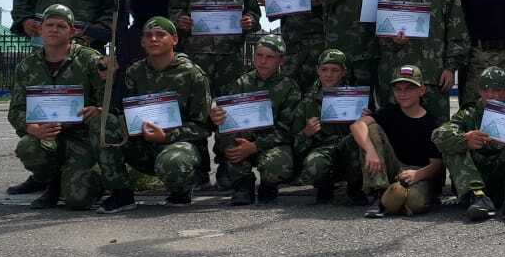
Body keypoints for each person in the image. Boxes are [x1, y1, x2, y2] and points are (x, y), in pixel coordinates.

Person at [8, 0, 115, 196]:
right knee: (40, 111)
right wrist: (25, 22)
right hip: (43, 52)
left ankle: (88, 170)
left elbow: (114, 8)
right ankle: (43, 173)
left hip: (82, 52)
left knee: (85, 116)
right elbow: (21, 0)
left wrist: (94, 32)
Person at [97, 17, 212, 213]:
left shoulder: (192, 74)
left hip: (178, 146)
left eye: (160, 34)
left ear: (174, 39)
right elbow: (125, 111)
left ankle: (180, 190)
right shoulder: (135, 71)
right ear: (142, 42)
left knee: (174, 162)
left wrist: (167, 135)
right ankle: (121, 193)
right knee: (103, 122)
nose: (153, 39)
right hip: (143, 144)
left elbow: (203, 126)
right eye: (148, 36)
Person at [7, 4, 105, 210]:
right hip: (47, 135)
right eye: (49, 24)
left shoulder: (89, 60)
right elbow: (16, 110)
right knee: (27, 147)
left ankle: (95, 177)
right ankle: (51, 183)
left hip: (82, 136)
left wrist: (97, 110)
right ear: (40, 30)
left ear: (72, 31)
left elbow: (107, 100)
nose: (54, 29)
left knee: (78, 201)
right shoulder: (27, 66)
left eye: (61, 26)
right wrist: (33, 128)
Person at [378, 0, 468, 120]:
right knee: (400, 132)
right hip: (401, 76)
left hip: (434, 76)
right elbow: (383, 29)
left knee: (436, 132)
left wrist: (450, 68)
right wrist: (393, 40)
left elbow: (457, 33)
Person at [432, 67, 505, 222]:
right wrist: (465, 139)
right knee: (453, 146)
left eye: (496, 90)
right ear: (479, 91)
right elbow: (438, 135)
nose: (491, 95)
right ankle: (478, 197)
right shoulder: (469, 113)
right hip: (476, 177)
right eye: (485, 90)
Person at [207, 35, 300, 206]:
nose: (263, 61)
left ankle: (269, 186)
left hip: (272, 143)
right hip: (244, 139)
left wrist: (255, 146)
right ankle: (242, 186)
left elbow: (288, 129)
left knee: (277, 165)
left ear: (281, 60)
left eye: (270, 57)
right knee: (229, 141)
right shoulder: (241, 83)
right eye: (259, 55)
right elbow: (227, 119)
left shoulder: (289, 87)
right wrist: (217, 117)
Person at [351, 65, 445, 218]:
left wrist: (417, 175)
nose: (403, 94)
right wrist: (371, 151)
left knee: (414, 202)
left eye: (409, 89)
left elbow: (436, 165)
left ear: (422, 91)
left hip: (418, 172)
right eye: (398, 89)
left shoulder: (431, 123)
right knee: (372, 128)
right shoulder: (390, 112)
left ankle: (397, 197)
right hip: (394, 167)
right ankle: (378, 193)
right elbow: (357, 125)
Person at [292, 49, 364, 204]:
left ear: (343, 72)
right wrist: (306, 133)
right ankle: (325, 186)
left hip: (349, 147)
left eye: (335, 70)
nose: (329, 74)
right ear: (318, 71)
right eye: (324, 69)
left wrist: (366, 119)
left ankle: (355, 187)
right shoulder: (307, 102)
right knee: (314, 165)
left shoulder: (356, 97)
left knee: (358, 149)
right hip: (323, 149)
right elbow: (295, 144)